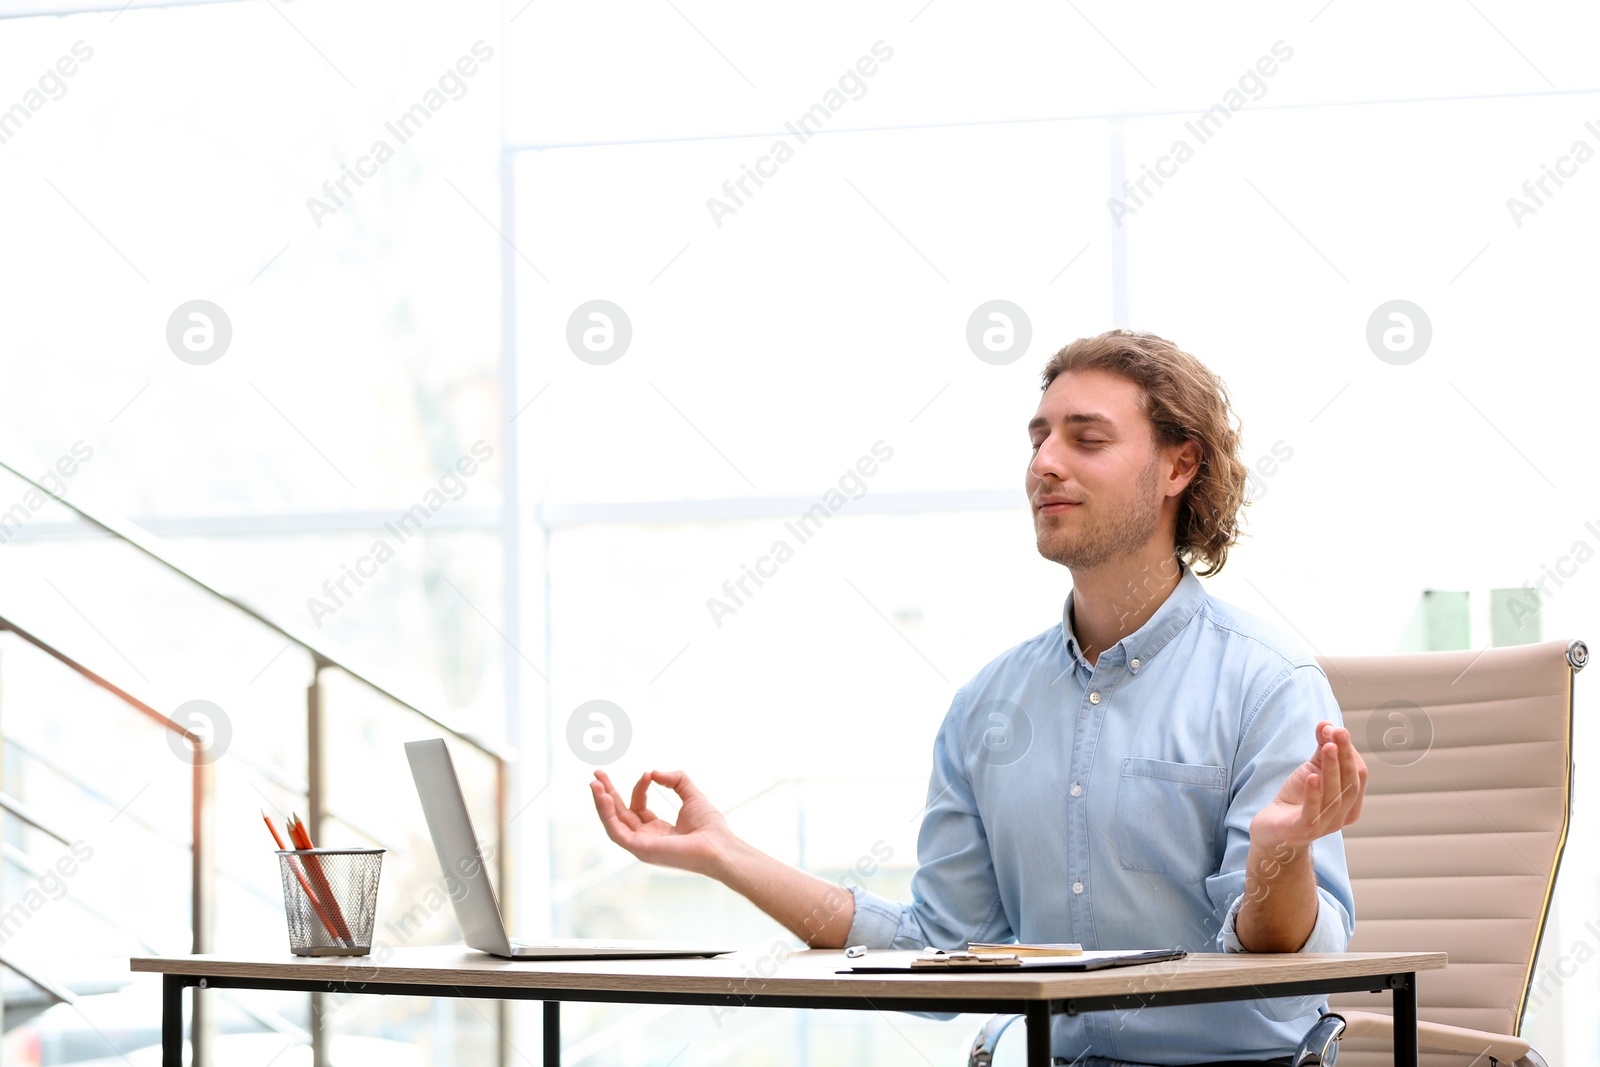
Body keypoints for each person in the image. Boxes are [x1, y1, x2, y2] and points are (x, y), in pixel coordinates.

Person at [590, 328, 1367, 1066]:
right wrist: (727, 855)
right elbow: (935, 949)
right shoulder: (988, 705)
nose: (1045, 464)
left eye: (1086, 439)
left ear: (1177, 466)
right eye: (1038, 438)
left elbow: (1285, 958)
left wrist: (1278, 853)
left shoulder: (1268, 683)